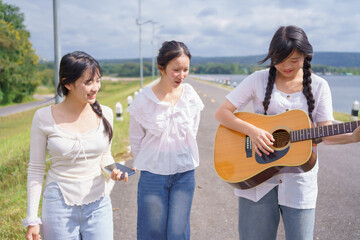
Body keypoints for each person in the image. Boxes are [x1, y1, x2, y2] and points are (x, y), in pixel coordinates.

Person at [215, 25, 360, 240]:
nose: (287, 66)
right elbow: (222, 113)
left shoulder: (320, 86)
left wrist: (352, 137)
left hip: (299, 185)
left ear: (306, 56)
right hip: (256, 181)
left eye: (295, 60)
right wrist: (253, 132)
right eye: (281, 59)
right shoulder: (258, 80)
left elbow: (326, 134)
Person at [23, 51, 131, 240]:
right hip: (58, 204)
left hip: (99, 203)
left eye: (98, 80)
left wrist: (114, 171)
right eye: (88, 82)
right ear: (67, 83)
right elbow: (36, 169)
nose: (95, 87)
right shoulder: (43, 118)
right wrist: (32, 219)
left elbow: (105, 157)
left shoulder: (105, 113)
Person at [128, 40, 204, 240]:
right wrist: (150, 162)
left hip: (184, 174)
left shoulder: (190, 97)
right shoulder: (143, 100)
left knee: (178, 233)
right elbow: (136, 140)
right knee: (152, 232)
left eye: (186, 69)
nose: (181, 75)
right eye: (176, 70)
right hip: (153, 175)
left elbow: (192, 131)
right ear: (161, 68)